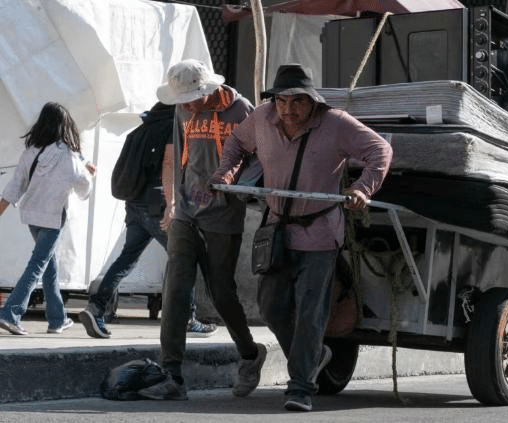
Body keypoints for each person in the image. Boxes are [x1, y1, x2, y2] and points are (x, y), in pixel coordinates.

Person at [210, 64, 393, 411]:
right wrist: (226, 171)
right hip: (277, 228)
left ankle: (300, 388)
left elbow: (380, 151)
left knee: (311, 312)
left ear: (312, 102)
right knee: (271, 307)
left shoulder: (337, 123)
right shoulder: (261, 119)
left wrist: (361, 188)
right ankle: (313, 356)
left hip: (320, 232)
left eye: (296, 102)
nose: (287, 109)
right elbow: (235, 142)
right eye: (281, 101)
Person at [136, 59, 265, 401]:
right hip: (187, 213)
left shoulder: (240, 110)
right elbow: (180, 156)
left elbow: (259, 159)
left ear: (209, 89)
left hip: (224, 215)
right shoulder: (182, 110)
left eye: (193, 97)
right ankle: (172, 374)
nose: (188, 104)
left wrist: (239, 190)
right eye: (183, 99)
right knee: (176, 288)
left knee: (221, 293)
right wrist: (173, 202)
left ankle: (251, 355)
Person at [78, 102, 218, 339]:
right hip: (158, 201)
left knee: (127, 258)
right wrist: (171, 204)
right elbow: (168, 163)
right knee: (184, 257)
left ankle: (96, 307)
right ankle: (187, 319)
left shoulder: (140, 131)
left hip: (134, 203)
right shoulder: (171, 127)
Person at [0, 102, 96, 335]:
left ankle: (57, 319)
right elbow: (83, 189)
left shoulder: (31, 151)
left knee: (49, 266)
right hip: (54, 218)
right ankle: (10, 313)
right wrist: (90, 174)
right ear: (65, 126)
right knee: (38, 265)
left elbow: (15, 186)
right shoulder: (69, 155)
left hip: (32, 216)